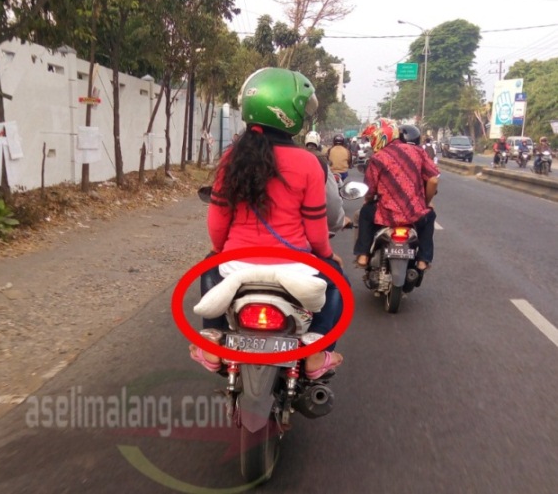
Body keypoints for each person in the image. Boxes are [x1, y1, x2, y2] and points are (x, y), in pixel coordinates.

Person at [189, 67, 346, 379]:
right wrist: (327, 255)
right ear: (291, 113)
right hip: (294, 266)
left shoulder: (232, 158)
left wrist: (219, 250)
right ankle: (315, 351)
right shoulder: (309, 162)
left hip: (237, 263)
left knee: (209, 270)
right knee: (337, 285)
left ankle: (212, 341)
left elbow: (218, 219)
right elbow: (316, 227)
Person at [353, 120, 440, 282]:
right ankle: (423, 260)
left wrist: (368, 200)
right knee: (430, 217)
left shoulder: (378, 157)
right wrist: (425, 202)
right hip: (415, 213)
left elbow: (370, 189)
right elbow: (433, 180)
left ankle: (363, 255)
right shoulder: (418, 152)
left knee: (365, 213)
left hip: (386, 214)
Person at [304, 130, 352, 233]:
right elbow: (332, 202)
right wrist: (339, 222)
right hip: (341, 173)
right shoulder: (323, 160)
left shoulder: (291, 158)